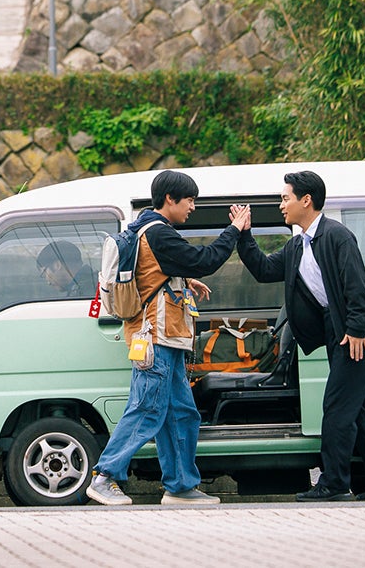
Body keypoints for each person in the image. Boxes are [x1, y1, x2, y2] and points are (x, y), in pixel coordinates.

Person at [228, 169, 365, 502]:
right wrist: (244, 234)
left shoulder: (336, 236)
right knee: (357, 408)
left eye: (285, 198)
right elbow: (264, 269)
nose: (281, 204)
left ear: (306, 200)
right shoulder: (298, 245)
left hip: (355, 331)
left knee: (337, 405)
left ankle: (334, 484)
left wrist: (357, 330)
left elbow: (356, 286)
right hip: (335, 329)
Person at [87, 169, 240, 508]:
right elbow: (206, 259)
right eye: (189, 200)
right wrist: (234, 230)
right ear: (170, 199)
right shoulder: (159, 234)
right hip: (155, 340)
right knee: (147, 409)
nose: (193, 207)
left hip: (166, 340)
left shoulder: (147, 231)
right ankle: (105, 476)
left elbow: (155, 273)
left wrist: (184, 281)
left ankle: (180, 486)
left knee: (181, 413)